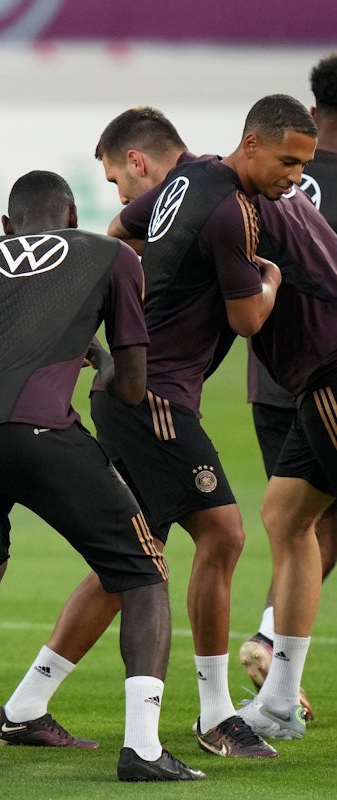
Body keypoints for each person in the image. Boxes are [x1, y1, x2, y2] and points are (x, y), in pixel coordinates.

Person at [0, 99, 312, 760]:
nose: (292, 176)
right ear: (249, 144)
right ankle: (216, 714)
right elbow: (249, 322)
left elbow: (116, 229)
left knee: (128, 564)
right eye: (286, 161)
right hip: (154, 399)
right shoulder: (225, 208)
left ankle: (25, 707)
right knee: (222, 533)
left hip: (128, 391)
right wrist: (273, 283)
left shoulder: (182, 185)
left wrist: (136, 301)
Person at [0, 170, 203, 782]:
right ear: (74, 216)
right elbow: (129, 390)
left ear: (7, 225)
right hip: (36, 431)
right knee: (143, 570)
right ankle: (144, 750)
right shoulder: (115, 256)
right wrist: (98, 357)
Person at [238, 55, 337, 713]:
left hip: (270, 379)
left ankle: (275, 676)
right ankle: (269, 641)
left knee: (295, 520)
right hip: (328, 377)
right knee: (312, 520)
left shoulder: (272, 179)